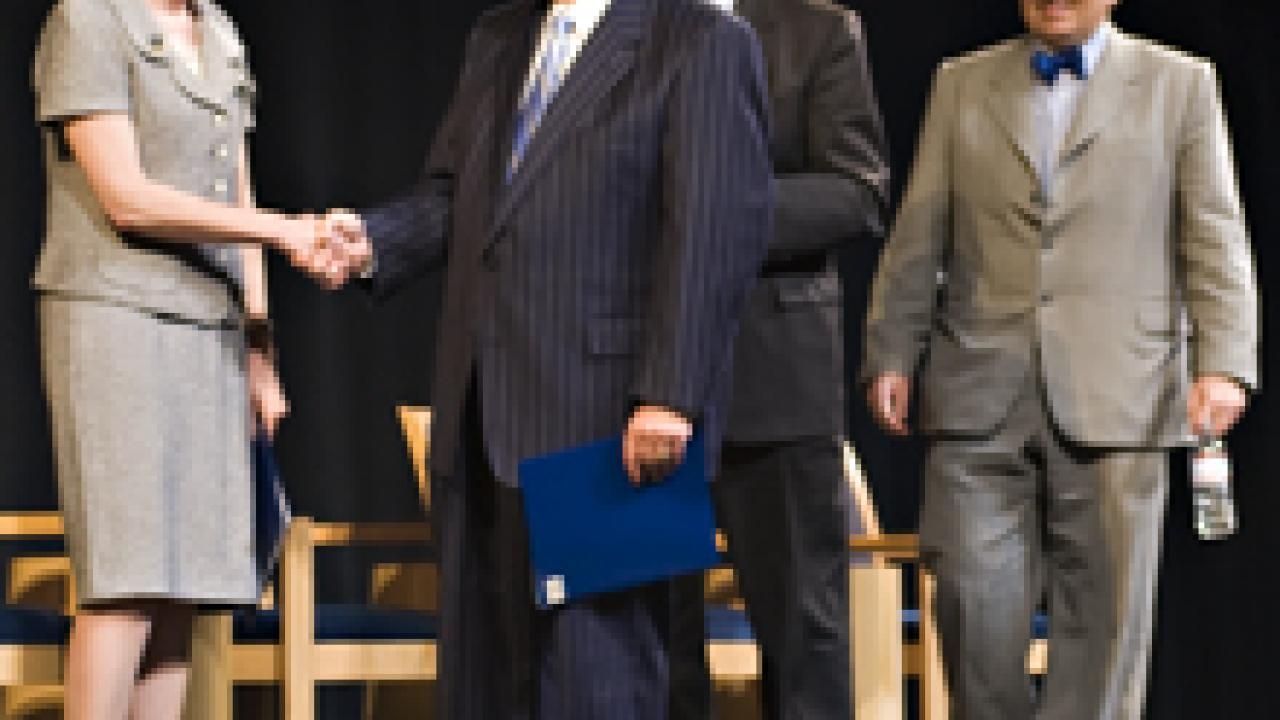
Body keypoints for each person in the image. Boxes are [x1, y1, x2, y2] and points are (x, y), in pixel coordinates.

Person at [322, 0, 772, 715]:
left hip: (611, 429)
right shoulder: (500, 35)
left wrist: (672, 393)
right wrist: (374, 241)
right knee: (487, 683)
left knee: (600, 681)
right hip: (483, 414)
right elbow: (458, 194)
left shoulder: (699, 39)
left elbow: (714, 231)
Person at [864, 0, 1258, 717]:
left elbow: (1214, 235)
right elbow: (920, 229)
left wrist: (1223, 362)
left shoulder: (1180, 84)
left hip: (1122, 386)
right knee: (970, 602)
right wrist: (892, 347)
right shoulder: (961, 82)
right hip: (978, 383)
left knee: (1106, 627)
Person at [31, 0, 349, 717]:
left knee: (181, 591)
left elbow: (238, 188)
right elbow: (126, 198)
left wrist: (260, 348)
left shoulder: (220, 29)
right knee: (126, 584)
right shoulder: (89, 18)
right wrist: (283, 231)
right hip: (117, 321)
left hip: (210, 331)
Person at [667, 0, 889, 718]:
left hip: (775, 376)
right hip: (627, 378)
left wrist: (714, 216)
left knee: (802, 637)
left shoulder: (816, 28)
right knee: (646, 645)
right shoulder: (615, 28)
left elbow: (856, 191)